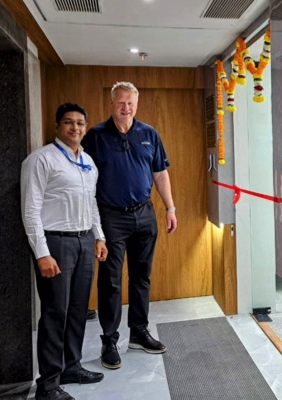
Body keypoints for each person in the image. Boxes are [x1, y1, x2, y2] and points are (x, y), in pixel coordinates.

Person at [81, 81, 177, 370]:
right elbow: (84, 179)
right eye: (121, 102)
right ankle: (109, 340)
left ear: (137, 104)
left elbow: (160, 173)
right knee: (110, 280)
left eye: (131, 103)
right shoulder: (95, 136)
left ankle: (138, 332)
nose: (126, 108)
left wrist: (170, 207)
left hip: (145, 214)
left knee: (141, 276)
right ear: (111, 104)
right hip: (111, 217)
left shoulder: (149, 134)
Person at [21, 103, 108, 400]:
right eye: (69, 122)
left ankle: (71, 366)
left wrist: (99, 236)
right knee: (55, 313)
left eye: (80, 123)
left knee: (78, 310)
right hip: (56, 243)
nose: (75, 128)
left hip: (84, 241)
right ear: (58, 126)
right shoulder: (41, 159)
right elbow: (30, 210)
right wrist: (42, 253)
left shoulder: (87, 161)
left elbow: (91, 203)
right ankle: (47, 385)